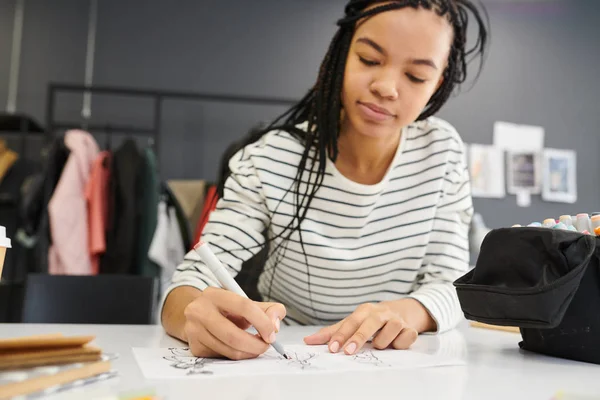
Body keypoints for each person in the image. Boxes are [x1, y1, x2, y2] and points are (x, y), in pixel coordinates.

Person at [161, 0, 488, 360]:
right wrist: (194, 314)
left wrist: (401, 312)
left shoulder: (442, 153)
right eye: (369, 59)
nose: (386, 87)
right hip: (288, 360)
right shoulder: (269, 158)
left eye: (416, 76)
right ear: (342, 53)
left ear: (437, 84)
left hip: (393, 367)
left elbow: (453, 285)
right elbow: (188, 284)